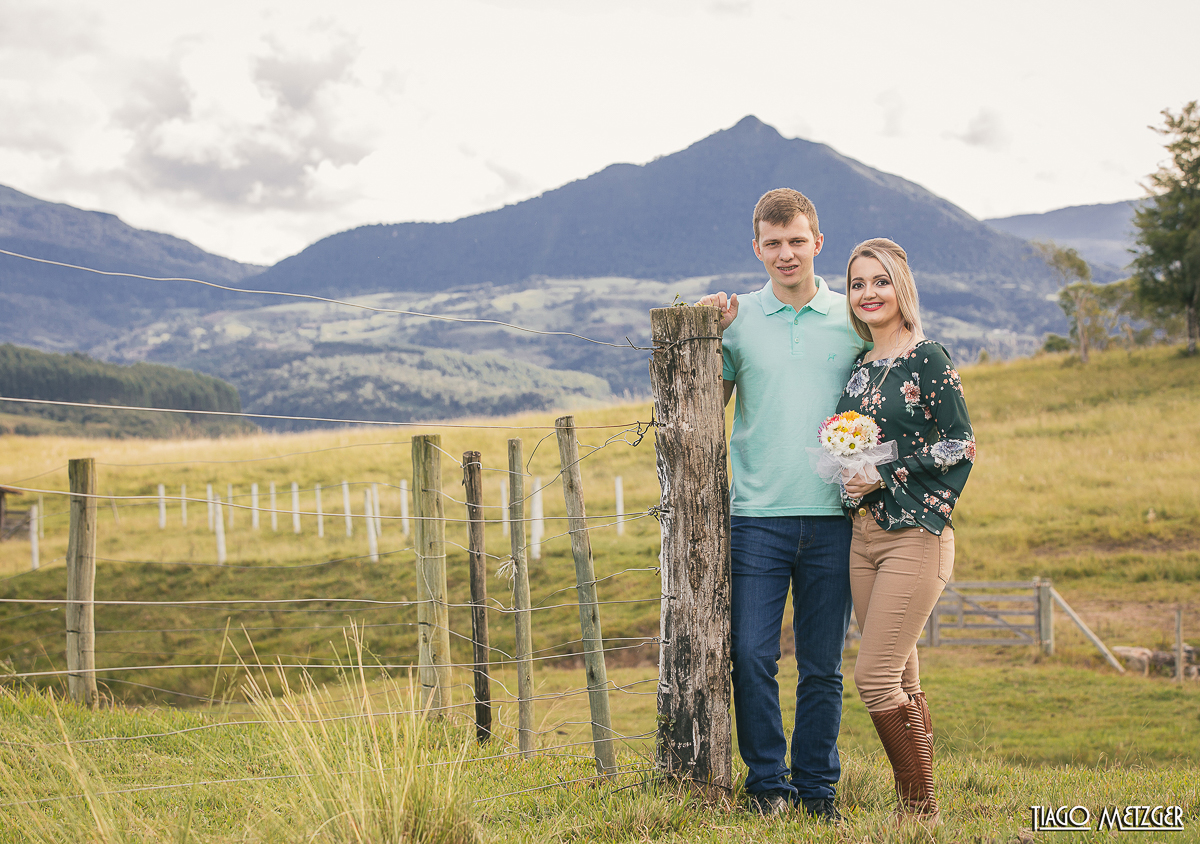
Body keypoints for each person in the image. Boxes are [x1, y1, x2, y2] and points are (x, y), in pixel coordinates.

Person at [699, 188, 869, 822]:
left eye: (797, 240)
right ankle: (769, 785)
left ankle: (818, 792)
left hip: (834, 520)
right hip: (757, 519)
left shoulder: (850, 317)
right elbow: (703, 404)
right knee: (750, 654)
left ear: (817, 242)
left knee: (821, 668)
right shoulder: (737, 319)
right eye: (773, 243)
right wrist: (702, 335)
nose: (786, 253)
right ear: (756, 248)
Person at [837, 237, 975, 826]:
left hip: (916, 534)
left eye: (880, 281)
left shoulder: (928, 358)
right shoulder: (859, 366)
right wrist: (848, 476)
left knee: (872, 677)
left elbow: (960, 444)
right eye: (858, 284)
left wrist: (884, 474)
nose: (869, 293)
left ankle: (920, 814)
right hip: (863, 536)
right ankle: (917, 811)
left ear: (902, 288)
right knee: (903, 674)